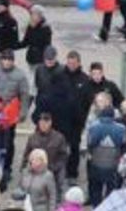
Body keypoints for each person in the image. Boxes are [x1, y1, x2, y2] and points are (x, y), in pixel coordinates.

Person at [0, 49, 30, 186]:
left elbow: (24, 96)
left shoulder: (20, 76)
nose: (7, 62)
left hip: (10, 114)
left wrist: (22, 113)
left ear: (13, 61)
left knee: (8, 142)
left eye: (9, 60)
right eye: (4, 59)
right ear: (0, 60)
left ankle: (7, 168)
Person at [56, 51, 90, 182]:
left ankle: (72, 174)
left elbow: (88, 101)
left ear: (79, 63)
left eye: (73, 63)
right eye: (69, 63)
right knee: (59, 146)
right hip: (61, 120)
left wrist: (83, 117)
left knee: (74, 147)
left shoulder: (84, 79)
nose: (71, 65)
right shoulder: (59, 76)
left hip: (76, 122)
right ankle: (58, 170)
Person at [86, 107, 125, 206]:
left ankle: (96, 206)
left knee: (96, 188)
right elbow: (123, 145)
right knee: (111, 188)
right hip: (113, 164)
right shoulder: (121, 128)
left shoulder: (94, 127)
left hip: (96, 162)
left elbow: (90, 143)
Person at [23, 112, 69, 192]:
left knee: (60, 175)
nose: (43, 125)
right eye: (41, 122)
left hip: (52, 170)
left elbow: (63, 156)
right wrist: (32, 164)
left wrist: (54, 167)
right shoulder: (32, 138)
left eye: (46, 122)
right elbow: (26, 154)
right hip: (36, 170)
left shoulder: (59, 137)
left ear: (50, 123)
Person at [17, 6, 53, 71]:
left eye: (34, 14)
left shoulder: (45, 28)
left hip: (40, 60)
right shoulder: (30, 26)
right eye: (31, 14)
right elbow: (25, 42)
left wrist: (47, 60)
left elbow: (47, 46)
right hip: (30, 58)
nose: (31, 16)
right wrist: (13, 45)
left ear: (40, 15)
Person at [32, 47, 63, 120]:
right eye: (47, 59)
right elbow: (37, 85)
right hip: (42, 104)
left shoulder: (62, 71)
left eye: (51, 59)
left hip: (56, 106)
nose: (49, 61)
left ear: (56, 57)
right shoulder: (39, 69)